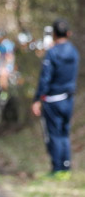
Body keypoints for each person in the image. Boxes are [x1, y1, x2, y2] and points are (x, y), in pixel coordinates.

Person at [32, 19, 79, 180]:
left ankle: (57, 169)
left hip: (53, 99)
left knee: (54, 135)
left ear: (53, 34)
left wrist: (38, 98)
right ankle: (66, 167)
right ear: (69, 33)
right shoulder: (74, 52)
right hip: (69, 98)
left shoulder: (52, 53)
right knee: (65, 133)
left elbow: (45, 78)